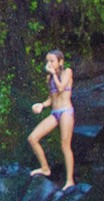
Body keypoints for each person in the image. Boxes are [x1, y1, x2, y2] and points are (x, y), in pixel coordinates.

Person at [27, 49, 76, 189]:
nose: (49, 64)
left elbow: (61, 89)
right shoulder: (49, 78)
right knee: (33, 138)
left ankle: (70, 180)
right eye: (47, 61)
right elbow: (51, 98)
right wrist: (41, 105)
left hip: (66, 111)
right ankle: (45, 167)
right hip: (55, 113)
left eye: (52, 61)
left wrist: (54, 74)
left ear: (60, 62)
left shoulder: (67, 72)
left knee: (65, 146)